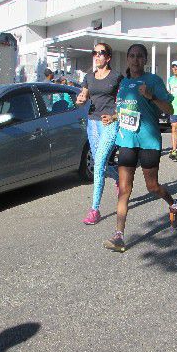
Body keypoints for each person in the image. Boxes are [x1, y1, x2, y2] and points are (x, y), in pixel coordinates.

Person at [103, 44, 177, 252]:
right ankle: (119, 235)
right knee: (124, 190)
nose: (135, 60)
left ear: (145, 60)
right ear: (127, 59)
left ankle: (173, 204)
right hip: (127, 141)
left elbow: (169, 108)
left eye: (139, 56)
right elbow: (125, 110)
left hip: (148, 141)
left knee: (152, 187)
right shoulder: (124, 83)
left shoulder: (153, 81)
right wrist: (112, 117)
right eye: (132, 56)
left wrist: (151, 97)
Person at [76, 43, 122, 225]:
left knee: (100, 162)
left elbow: (125, 103)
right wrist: (80, 100)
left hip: (110, 123)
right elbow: (83, 97)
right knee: (98, 164)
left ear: (108, 57)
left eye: (101, 53)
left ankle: (94, 209)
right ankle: (118, 176)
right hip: (93, 124)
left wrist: (114, 116)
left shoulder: (117, 77)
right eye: (94, 52)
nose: (97, 55)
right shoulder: (89, 77)